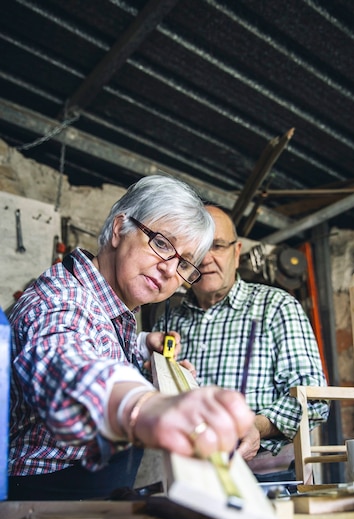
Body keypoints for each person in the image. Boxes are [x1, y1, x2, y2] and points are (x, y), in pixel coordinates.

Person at [7, 177, 255, 500]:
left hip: (87, 496)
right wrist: (148, 407)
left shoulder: (108, 307)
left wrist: (142, 346)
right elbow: (66, 364)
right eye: (162, 243)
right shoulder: (60, 301)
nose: (169, 270)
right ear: (118, 229)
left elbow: (96, 341)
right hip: (36, 509)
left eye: (183, 263)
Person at [153, 205, 329, 480]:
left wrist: (256, 426)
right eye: (198, 250)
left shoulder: (276, 306)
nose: (207, 259)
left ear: (236, 253)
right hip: (187, 475)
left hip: (267, 476)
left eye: (218, 246)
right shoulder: (169, 322)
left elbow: (314, 399)